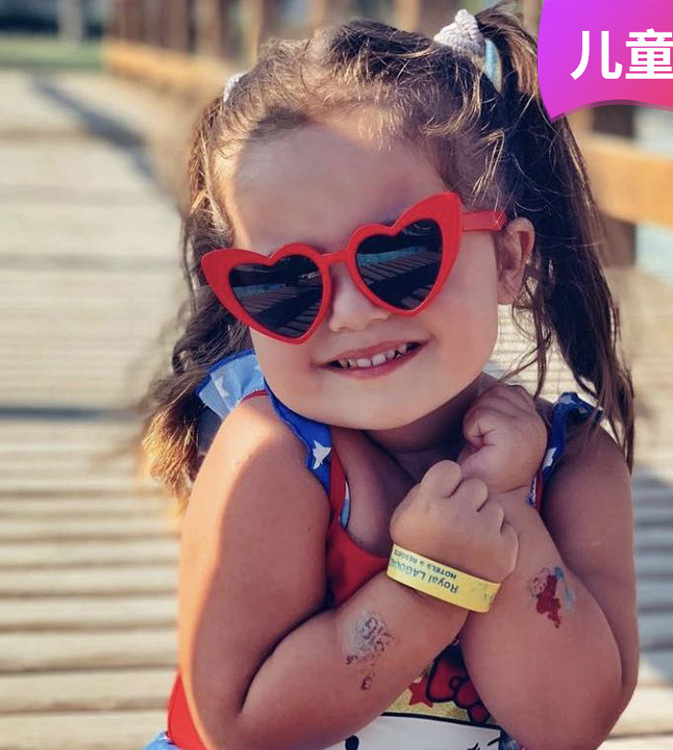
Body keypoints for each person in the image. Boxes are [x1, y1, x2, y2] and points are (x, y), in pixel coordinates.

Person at [137, 3, 639, 749]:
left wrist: (503, 503)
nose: (348, 314)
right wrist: (430, 582)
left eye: (399, 256)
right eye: (286, 284)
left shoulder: (573, 467)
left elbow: (572, 725)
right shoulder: (274, 459)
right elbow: (237, 729)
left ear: (508, 258)